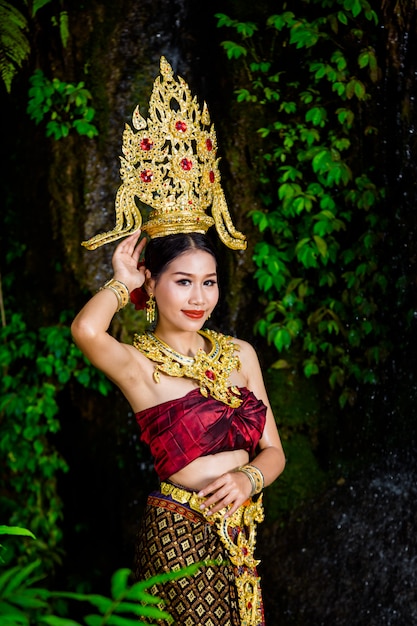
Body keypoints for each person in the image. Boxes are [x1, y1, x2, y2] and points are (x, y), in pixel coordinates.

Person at [72, 57, 286, 625]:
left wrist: (248, 477)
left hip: (241, 540)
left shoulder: (240, 354)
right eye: (183, 282)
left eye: (209, 282)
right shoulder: (138, 363)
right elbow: (86, 331)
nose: (198, 297)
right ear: (155, 282)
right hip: (179, 538)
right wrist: (121, 284)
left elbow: (275, 451)